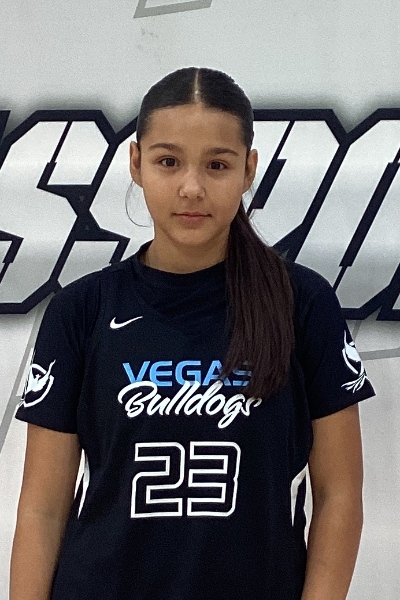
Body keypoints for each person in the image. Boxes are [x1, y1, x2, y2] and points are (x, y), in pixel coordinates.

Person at [10, 67, 375, 600]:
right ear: (136, 163)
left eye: (217, 165)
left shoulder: (303, 303)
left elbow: (340, 494)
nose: (191, 187)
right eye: (168, 161)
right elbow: (42, 509)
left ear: (249, 169)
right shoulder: (80, 310)